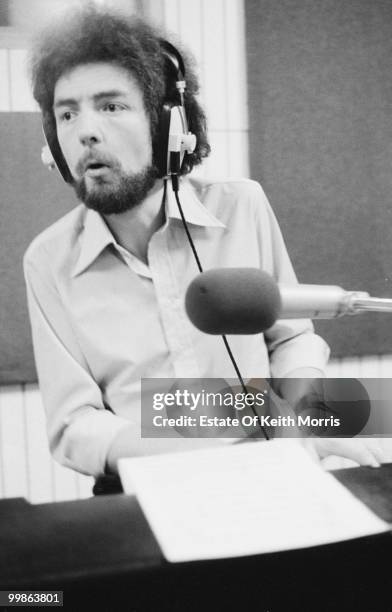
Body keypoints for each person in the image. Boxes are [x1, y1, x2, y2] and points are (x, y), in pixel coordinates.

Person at [24, 5, 384, 481]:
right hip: (144, 488)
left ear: (169, 128)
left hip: (274, 468)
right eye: (66, 114)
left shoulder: (241, 207)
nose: (85, 130)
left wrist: (303, 420)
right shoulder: (48, 261)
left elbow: (292, 337)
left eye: (111, 106)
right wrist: (217, 444)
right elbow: (74, 424)